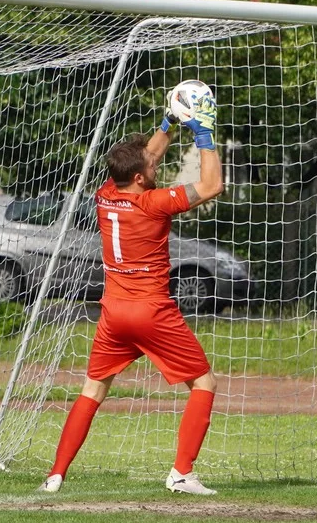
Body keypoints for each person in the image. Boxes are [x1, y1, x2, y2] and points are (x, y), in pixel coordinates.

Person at [38, 90, 223, 496]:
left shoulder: (106, 194)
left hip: (112, 313)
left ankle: (56, 474)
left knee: (93, 390)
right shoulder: (155, 203)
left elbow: (145, 158)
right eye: (153, 165)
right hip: (151, 312)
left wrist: (169, 123)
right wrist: (204, 134)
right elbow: (212, 185)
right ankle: (181, 473)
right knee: (204, 383)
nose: (157, 163)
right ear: (141, 177)